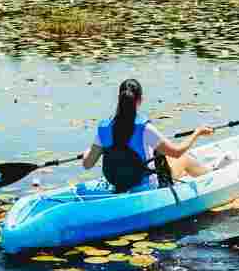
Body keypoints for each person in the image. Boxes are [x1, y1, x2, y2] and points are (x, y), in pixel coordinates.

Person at [82, 78, 214, 192]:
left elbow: (87, 164)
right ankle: (213, 178)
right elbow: (177, 152)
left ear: (119, 99)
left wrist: (87, 152)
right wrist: (198, 133)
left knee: (167, 161)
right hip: (147, 187)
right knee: (184, 158)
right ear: (140, 100)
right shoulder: (144, 128)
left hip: (118, 184)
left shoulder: (104, 128)